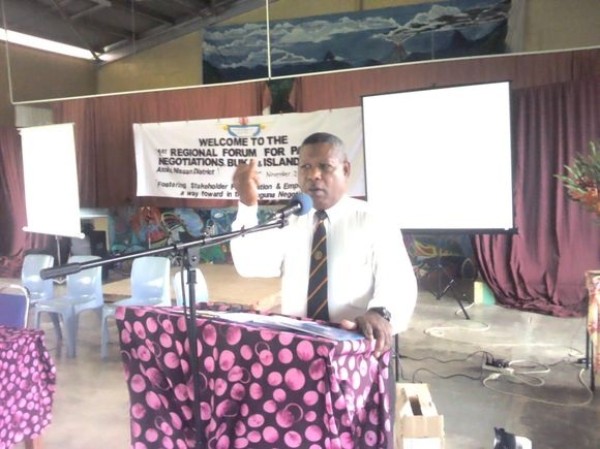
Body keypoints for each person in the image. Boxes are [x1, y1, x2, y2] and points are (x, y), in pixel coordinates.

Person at [230, 132, 417, 357]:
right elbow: (248, 263)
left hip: (355, 354)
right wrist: (247, 204)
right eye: (305, 167)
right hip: (297, 351)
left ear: (345, 170)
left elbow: (398, 282)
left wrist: (380, 313)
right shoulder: (289, 219)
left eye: (325, 166)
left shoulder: (373, 221)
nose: (313, 175)